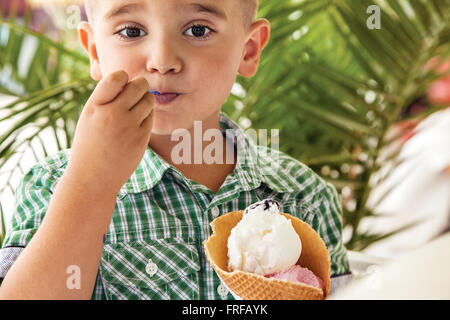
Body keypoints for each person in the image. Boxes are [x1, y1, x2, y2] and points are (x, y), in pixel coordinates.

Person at [0, 0, 350, 299]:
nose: (162, 60)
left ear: (249, 50)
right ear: (94, 51)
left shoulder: (305, 197)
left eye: (198, 30)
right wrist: (91, 184)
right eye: (132, 31)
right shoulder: (51, 185)